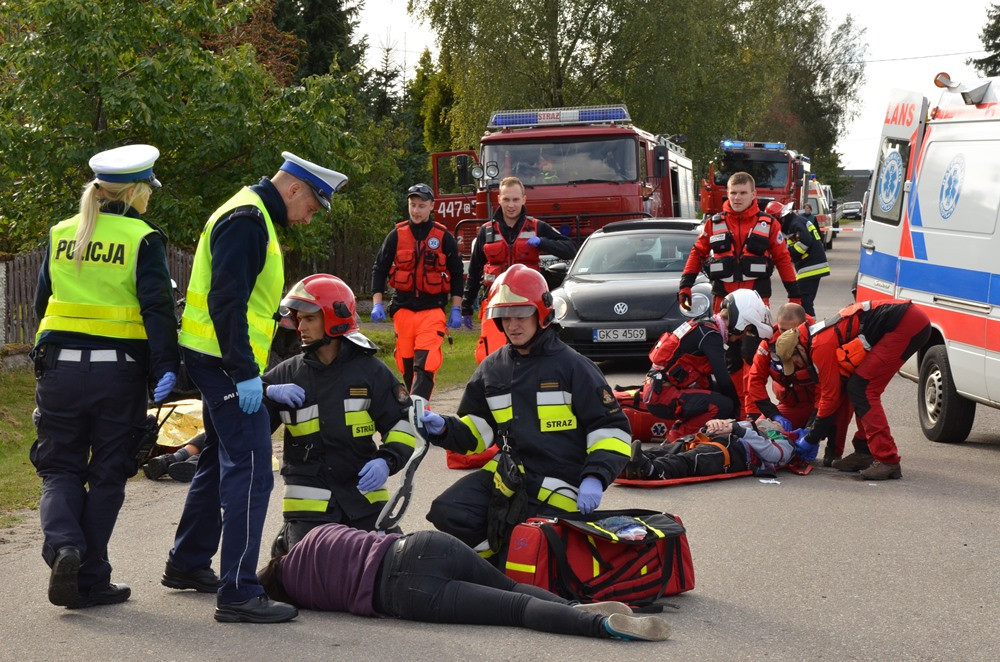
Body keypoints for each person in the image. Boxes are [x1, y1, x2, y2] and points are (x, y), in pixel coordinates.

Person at [164, 152, 346, 624]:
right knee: (250, 470)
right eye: (312, 205)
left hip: (215, 358)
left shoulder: (252, 213)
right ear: (293, 189)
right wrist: (245, 372)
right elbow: (227, 300)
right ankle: (240, 591)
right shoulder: (249, 219)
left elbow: (241, 299)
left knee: (215, 458)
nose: (309, 217)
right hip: (224, 362)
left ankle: (186, 562)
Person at [31, 144, 179, 608]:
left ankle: (64, 548)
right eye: (148, 191)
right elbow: (156, 307)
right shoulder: (142, 237)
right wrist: (167, 365)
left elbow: (42, 303)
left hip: (59, 372)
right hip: (119, 376)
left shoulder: (61, 232)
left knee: (59, 469)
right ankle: (91, 578)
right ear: (136, 191)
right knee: (109, 474)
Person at [422, 265, 632, 562]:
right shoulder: (492, 369)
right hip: (508, 476)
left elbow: (611, 429)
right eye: (505, 317)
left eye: (521, 315)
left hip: (559, 484)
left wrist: (595, 478)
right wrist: (443, 428)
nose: (513, 325)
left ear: (541, 314)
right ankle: (501, 562)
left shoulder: (574, 367)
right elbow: (478, 432)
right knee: (447, 511)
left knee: (538, 544)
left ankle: (515, 563)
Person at [256, 523, 671, 641]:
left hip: (404, 591)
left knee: (515, 612)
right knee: (509, 588)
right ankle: (571, 608)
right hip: (425, 544)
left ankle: (598, 625)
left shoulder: (301, 592)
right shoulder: (315, 537)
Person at [262, 274, 416, 555]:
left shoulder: (370, 372)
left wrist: (386, 460)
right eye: (298, 319)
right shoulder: (288, 373)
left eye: (309, 319)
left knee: (395, 562)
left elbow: (403, 424)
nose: (300, 327)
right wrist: (264, 392)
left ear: (334, 319)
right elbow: (248, 425)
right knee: (313, 576)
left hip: (362, 497)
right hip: (310, 505)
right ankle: (289, 542)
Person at [774, 299, 932, 480]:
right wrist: (831, 446)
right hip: (907, 321)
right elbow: (836, 393)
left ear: (799, 349)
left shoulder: (819, 345)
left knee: (862, 389)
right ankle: (864, 450)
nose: (797, 366)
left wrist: (812, 437)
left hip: (907, 324)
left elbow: (830, 397)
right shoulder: (813, 338)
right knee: (855, 387)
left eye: (794, 361)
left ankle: (887, 459)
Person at [370, 183, 465, 400]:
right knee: (406, 364)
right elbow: (380, 268)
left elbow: (457, 273)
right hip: (403, 310)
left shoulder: (443, 237)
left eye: (421, 205)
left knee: (426, 362)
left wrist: (457, 308)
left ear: (432, 206)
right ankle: (414, 407)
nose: (416, 210)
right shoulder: (397, 235)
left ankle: (420, 411)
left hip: (432, 311)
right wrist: (376, 302)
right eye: (412, 205)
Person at [641, 290, 772, 440]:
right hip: (662, 396)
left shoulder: (705, 327)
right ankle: (678, 440)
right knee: (724, 405)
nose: (742, 337)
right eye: (747, 329)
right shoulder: (711, 336)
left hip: (660, 391)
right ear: (741, 321)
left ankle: (696, 434)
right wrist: (738, 412)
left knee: (721, 397)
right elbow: (723, 379)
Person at [460, 176, 576, 329]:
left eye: (515, 199)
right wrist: (466, 306)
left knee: (528, 350)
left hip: (529, 303)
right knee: (492, 350)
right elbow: (474, 271)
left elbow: (571, 249)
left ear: (524, 200)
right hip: (496, 302)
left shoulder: (537, 227)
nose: (511, 205)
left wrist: (542, 242)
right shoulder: (486, 231)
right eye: (506, 199)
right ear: (499, 199)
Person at [678, 172, 801, 312]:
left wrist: (794, 294)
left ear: (753, 194)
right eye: (733, 193)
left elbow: (782, 259)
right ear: (728, 193)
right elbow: (698, 253)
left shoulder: (769, 224)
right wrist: (685, 286)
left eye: (743, 193)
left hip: (757, 298)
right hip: (723, 299)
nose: (737, 198)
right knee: (720, 334)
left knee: (757, 334)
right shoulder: (713, 223)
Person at [621, 418, 796, 480]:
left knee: (691, 460)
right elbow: (725, 424)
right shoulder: (746, 424)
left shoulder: (784, 443)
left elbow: (772, 455)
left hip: (736, 451)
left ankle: (651, 469)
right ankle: (628, 461)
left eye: (775, 422)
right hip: (711, 437)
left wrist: (738, 430)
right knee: (673, 447)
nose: (769, 421)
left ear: (781, 429)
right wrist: (714, 424)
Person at [765, 201, 829, 317]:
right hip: (811, 265)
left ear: (780, 218)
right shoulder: (795, 221)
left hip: (810, 267)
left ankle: (809, 327)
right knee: (805, 300)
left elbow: (805, 242)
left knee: (804, 301)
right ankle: (808, 326)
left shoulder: (795, 223)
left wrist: (788, 254)